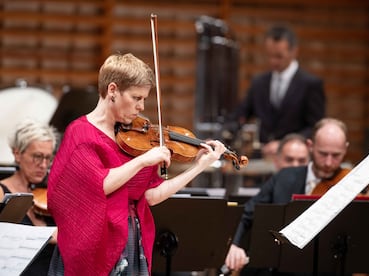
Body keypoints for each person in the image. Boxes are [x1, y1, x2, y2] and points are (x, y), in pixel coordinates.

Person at [46, 53, 226, 276]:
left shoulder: (136, 138)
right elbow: (100, 185)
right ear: (112, 90)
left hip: (131, 240)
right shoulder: (81, 132)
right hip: (96, 244)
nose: (141, 107)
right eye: (136, 97)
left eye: (144, 99)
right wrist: (142, 161)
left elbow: (152, 195)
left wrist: (199, 166)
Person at [225, 117, 351, 274]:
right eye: (323, 153)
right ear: (311, 146)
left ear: (345, 149)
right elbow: (246, 214)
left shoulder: (350, 185)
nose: (328, 162)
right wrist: (233, 246)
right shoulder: (284, 177)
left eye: (336, 155)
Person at [225, 23, 325, 159]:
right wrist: (222, 133)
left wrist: (285, 144)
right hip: (262, 157)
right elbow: (241, 114)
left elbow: (315, 127)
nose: (273, 62)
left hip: (294, 159)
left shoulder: (310, 84)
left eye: (279, 56)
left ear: (294, 51)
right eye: (269, 56)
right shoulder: (259, 82)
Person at [0, 119, 59, 275]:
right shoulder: (1, 191)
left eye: (48, 158)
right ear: (17, 154)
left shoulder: (49, 192)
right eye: (37, 156)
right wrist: (47, 236)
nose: (43, 165)